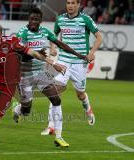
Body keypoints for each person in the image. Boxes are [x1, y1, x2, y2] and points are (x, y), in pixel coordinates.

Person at [12, 7, 88, 147]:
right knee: (26, 110)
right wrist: (36, 53)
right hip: (25, 75)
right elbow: (20, 54)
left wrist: (79, 55)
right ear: (28, 19)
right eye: (32, 18)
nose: (34, 21)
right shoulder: (22, 33)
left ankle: (59, 137)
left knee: (56, 99)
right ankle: (18, 109)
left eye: (37, 19)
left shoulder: (44, 32)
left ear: (40, 20)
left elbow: (60, 44)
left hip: (41, 74)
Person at [41, 0, 102, 135]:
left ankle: (88, 110)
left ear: (78, 5)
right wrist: (53, 47)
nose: (70, 5)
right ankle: (51, 126)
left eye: (73, 3)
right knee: (55, 92)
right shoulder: (60, 19)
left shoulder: (85, 19)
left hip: (79, 63)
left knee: (80, 94)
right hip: (64, 62)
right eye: (68, 2)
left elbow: (99, 37)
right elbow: (53, 36)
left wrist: (92, 52)